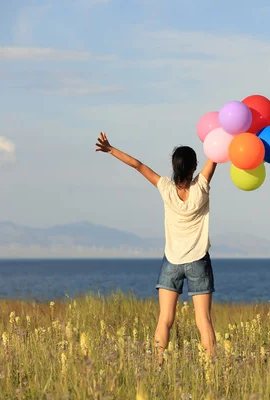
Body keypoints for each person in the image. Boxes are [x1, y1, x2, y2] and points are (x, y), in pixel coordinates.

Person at [94, 132, 218, 363]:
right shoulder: (201, 186)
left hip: (171, 261)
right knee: (204, 321)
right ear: (194, 168)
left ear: (173, 167)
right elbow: (216, 154)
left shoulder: (166, 188)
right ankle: (212, 369)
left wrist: (110, 149)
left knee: (165, 320)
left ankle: (157, 366)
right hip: (198, 260)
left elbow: (138, 166)